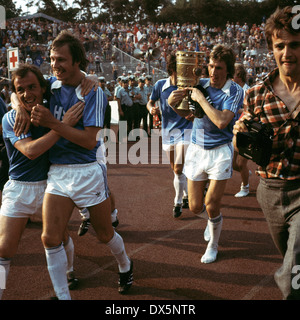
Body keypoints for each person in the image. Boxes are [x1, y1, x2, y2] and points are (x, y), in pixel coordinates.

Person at [30, 30, 133, 299]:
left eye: (61, 59)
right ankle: (63, 293)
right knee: (50, 237)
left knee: (104, 235)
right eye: (52, 59)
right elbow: (23, 90)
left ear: (78, 61)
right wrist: (20, 106)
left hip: (87, 171)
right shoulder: (50, 86)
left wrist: (54, 123)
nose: (55, 65)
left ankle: (125, 264)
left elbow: (89, 141)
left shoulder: (94, 93)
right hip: (58, 172)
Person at [0, 64, 84, 299]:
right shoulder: (11, 118)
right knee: (4, 250)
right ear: (14, 93)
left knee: (61, 237)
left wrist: (91, 79)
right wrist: (62, 126)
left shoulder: (51, 114)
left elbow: (74, 78)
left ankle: (68, 274)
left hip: (51, 186)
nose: (27, 94)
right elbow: (31, 151)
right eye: (21, 90)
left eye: (32, 87)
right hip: (19, 189)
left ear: (43, 88)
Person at [233, 6, 300, 300]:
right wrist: (240, 136)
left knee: (292, 269)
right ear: (271, 48)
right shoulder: (257, 95)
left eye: (295, 44)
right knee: (291, 259)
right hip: (270, 190)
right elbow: (241, 151)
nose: (287, 52)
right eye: (280, 45)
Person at [169, 44, 244, 263]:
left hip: (220, 151)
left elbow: (221, 121)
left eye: (219, 68)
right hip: (196, 149)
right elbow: (189, 114)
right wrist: (173, 105)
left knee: (211, 203)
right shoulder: (199, 84)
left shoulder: (234, 90)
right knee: (194, 207)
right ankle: (211, 222)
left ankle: (213, 244)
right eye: (210, 66)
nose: (213, 72)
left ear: (227, 70)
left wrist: (201, 98)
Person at [147, 53, 192, 218]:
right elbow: (150, 101)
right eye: (180, 68)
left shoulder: (187, 86)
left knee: (179, 168)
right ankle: (186, 194)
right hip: (167, 132)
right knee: (176, 170)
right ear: (172, 69)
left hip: (186, 130)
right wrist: (151, 109)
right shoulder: (160, 85)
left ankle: (177, 202)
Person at [232, 63, 251, 197]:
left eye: (232, 74)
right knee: (233, 164)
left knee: (240, 162)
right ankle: (245, 171)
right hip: (235, 131)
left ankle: (245, 187)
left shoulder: (248, 91)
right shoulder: (234, 89)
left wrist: (232, 111)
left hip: (246, 131)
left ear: (238, 75)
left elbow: (248, 111)